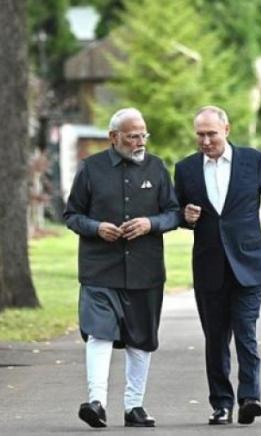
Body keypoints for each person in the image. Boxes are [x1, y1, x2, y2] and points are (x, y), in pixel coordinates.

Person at [174, 106, 261, 425]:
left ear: (227, 130)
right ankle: (222, 403)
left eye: (212, 134)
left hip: (248, 262)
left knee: (245, 331)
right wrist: (184, 217)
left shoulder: (253, 161)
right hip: (209, 266)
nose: (206, 140)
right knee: (216, 338)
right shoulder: (186, 169)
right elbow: (175, 210)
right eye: (200, 135)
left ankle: (250, 397)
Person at [64, 108, 180, 428]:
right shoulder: (90, 169)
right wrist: (96, 227)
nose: (140, 141)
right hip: (100, 269)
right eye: (133, 136)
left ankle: (134, 407)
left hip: (145, 270)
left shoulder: (157, 168)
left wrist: (151, 223)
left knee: (141, 338)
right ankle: (96, 402)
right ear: (113, 137)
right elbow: (72, 215)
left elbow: (174, 213)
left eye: (144, 134)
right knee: (99, 333)